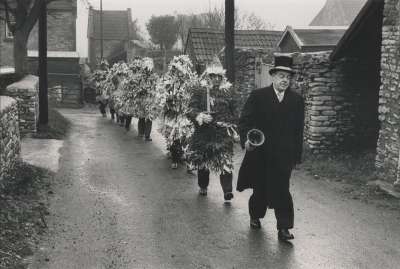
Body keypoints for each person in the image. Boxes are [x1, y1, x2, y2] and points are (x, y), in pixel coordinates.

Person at [237, 55, 304, 241]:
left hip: (283, 155)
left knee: (282, 190)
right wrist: (247, 141)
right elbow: (245, 121)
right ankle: (255, 216)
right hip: (260, 153)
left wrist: (296, 158)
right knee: (260, 188)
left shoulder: (297, 101)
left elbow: (299, 130)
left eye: (288, 77)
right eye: (281, 75)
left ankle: (284, 228)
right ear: (273, 76)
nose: (284, 80)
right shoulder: (258, 96)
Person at [187, 63, 238, 202]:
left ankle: (227, 191)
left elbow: (236, 111)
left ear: (223, 77)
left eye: (219, 76)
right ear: (207, 76)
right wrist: (201, 116)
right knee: (203, 162)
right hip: (204, 133)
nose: (216, 79)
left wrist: (233, 126)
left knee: (225, 161)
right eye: (213, 76)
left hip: (223, 134)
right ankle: (203, 186)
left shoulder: (229, 92)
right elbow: (190, 109)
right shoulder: (200, 90)